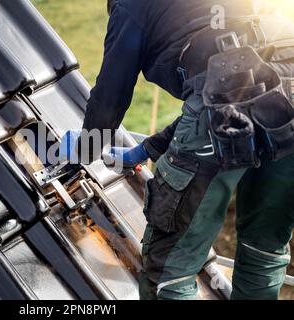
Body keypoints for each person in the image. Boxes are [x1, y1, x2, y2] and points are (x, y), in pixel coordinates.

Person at [60, 0, 294, 300]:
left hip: (227, 107)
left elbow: (108, 101)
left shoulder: (131, 6)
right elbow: (234, 84)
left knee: (169, 274)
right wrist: (148, 148)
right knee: (263, 252)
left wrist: (81, 154)